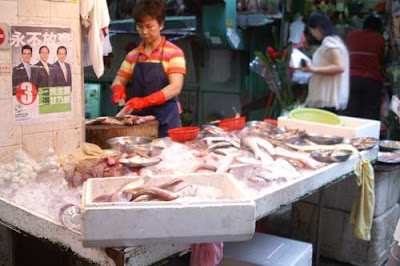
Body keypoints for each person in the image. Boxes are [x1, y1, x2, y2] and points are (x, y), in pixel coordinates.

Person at [111, 0, 186, 137]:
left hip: (166, 118)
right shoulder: (133, 55)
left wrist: (145, 101)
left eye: (149, 26)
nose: (144, 32)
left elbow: (176, 87)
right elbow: (118, 80)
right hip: (140, 119)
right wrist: (118, 90)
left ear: (161, 25)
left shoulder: (174, 52)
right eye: (140, 27)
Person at [300, 11, 350, 113]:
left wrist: (312, 69)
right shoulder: (336, 40)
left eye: (311, 31)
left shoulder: (329, 42)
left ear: (318, 28)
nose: (312, 35)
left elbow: (339, 67)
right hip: (329, 99)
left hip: (326, 100)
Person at [341, 16, 385, 120]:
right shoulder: (380, 38)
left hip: (352, 79)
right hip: (372, 80)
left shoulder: (351, 35)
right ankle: (368, 136)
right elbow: (382, 58)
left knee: (350, 113)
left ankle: (349, 135)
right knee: (370, 115)